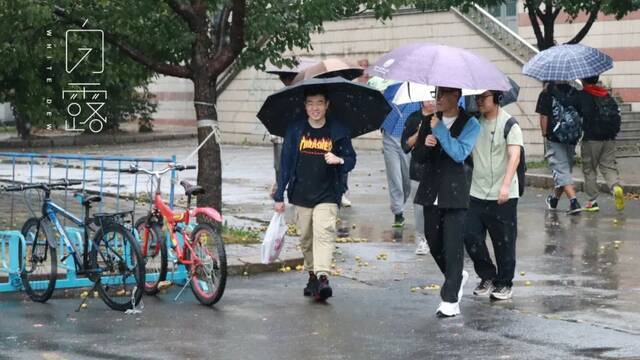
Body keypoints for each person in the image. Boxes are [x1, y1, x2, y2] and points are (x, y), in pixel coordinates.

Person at [273, 86, 356, 301]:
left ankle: (323, 277)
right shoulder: (296, 130)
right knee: (306, 239)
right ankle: (312, 274)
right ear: (305, 106)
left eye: (319, 103)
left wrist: (339, 160)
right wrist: (279, 194)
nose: (315, 108)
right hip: (301, 192)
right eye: (310, 103)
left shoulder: (337, 130)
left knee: (324, 233)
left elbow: (351, 158)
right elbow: (286, 163)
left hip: (328, 193)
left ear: (327, 105)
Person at [413, 86, 480, 317]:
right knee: (434, 242)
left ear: (457, 97)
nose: (438, 98)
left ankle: (450, 300)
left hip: (455, 192)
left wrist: (440, 132)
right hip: (431, 191)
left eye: (444, 94)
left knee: (453, 245)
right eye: (436, 93)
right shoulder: (430, 119)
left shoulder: (471, 124)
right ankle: (456, 276)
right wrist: (426, 143)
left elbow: (459, 153)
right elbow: (418, 157)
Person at [463, 90, 523, 301]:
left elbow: (514, 156)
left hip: (503, 193)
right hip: (476, 191)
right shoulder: (473, 124)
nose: (479, 101)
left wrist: (506, 185)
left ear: (497, 98)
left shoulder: (510, 124)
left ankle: (505, 283)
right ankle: (487, 276)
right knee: (470, 236)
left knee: (503, 241)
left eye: (484, 97)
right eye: (477, 97)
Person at [554, 76, 624, 212]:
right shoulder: (606, 94)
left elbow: (565, 102)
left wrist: (553, 89)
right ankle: (615, 187)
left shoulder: (583, 95)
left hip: (591, 138)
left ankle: (592, 201)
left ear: (584, 80)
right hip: (609, 138)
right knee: (608, 166)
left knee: (589, 169)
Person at [536, 82, 582, 215]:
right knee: (564, 170)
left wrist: (545, 134)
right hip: (572, 136)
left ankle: (574, 202)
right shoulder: (575, 92)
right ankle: (554, 200)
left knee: (561, 170)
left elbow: (544, 116)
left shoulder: (546, 93)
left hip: (554, 136)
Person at [381, 84, 422, 227]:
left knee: (406, 179)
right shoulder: (393, 89)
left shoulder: (421, 94)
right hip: (389, 136)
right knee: (394, 177)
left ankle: (400, 203)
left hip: (408, 140)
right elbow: (381, 107)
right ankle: (398, 211)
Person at [402, 100, 435, 255]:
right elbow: (406, 145)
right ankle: (422, 239)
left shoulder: (441, 118)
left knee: (436, 207)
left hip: (436, 169)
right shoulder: (414, 118)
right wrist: (419, 131)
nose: (432, 101)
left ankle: (435, 237)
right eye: (428, 98)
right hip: (418, 168)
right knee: (419, 208)